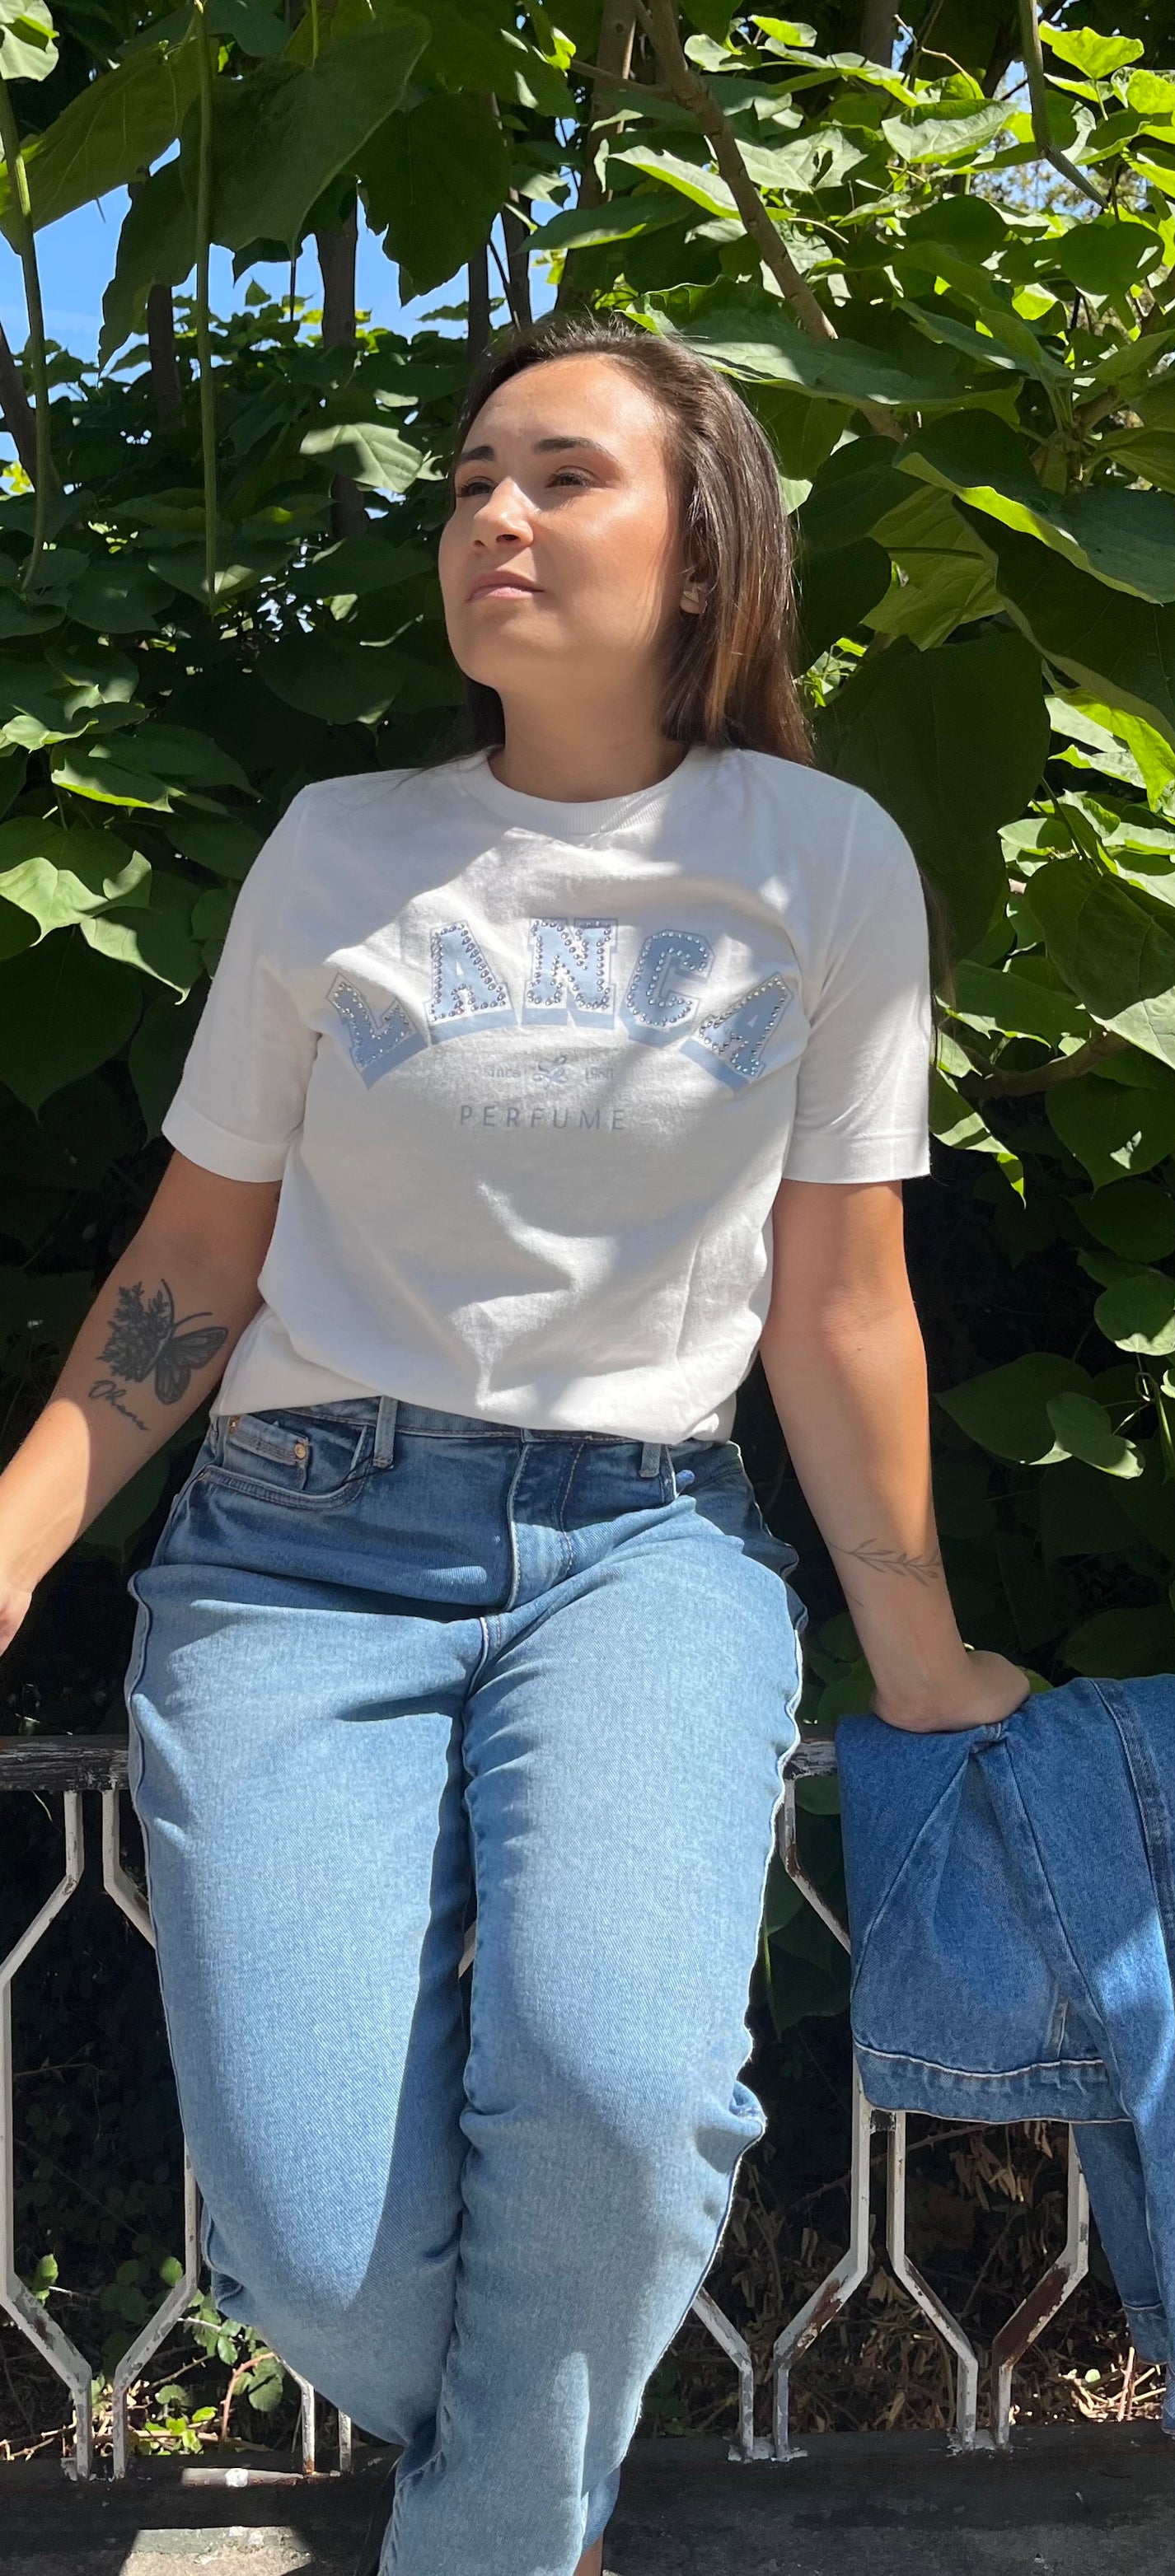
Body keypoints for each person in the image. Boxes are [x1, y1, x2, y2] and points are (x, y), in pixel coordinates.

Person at [0, 311, 1029, 2575]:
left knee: (624, 2100)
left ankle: (489, 2542)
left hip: (645, 1546)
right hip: (298, 1550)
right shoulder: (341, 851)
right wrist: (12, 1535)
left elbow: (839, 1306)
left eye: (566, 476)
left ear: (705, 551)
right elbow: (194, 1262)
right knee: (309, 2254)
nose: (496, 515)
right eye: (475, 479)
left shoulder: (824, 860)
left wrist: (920, 1654)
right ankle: (525, 2500)